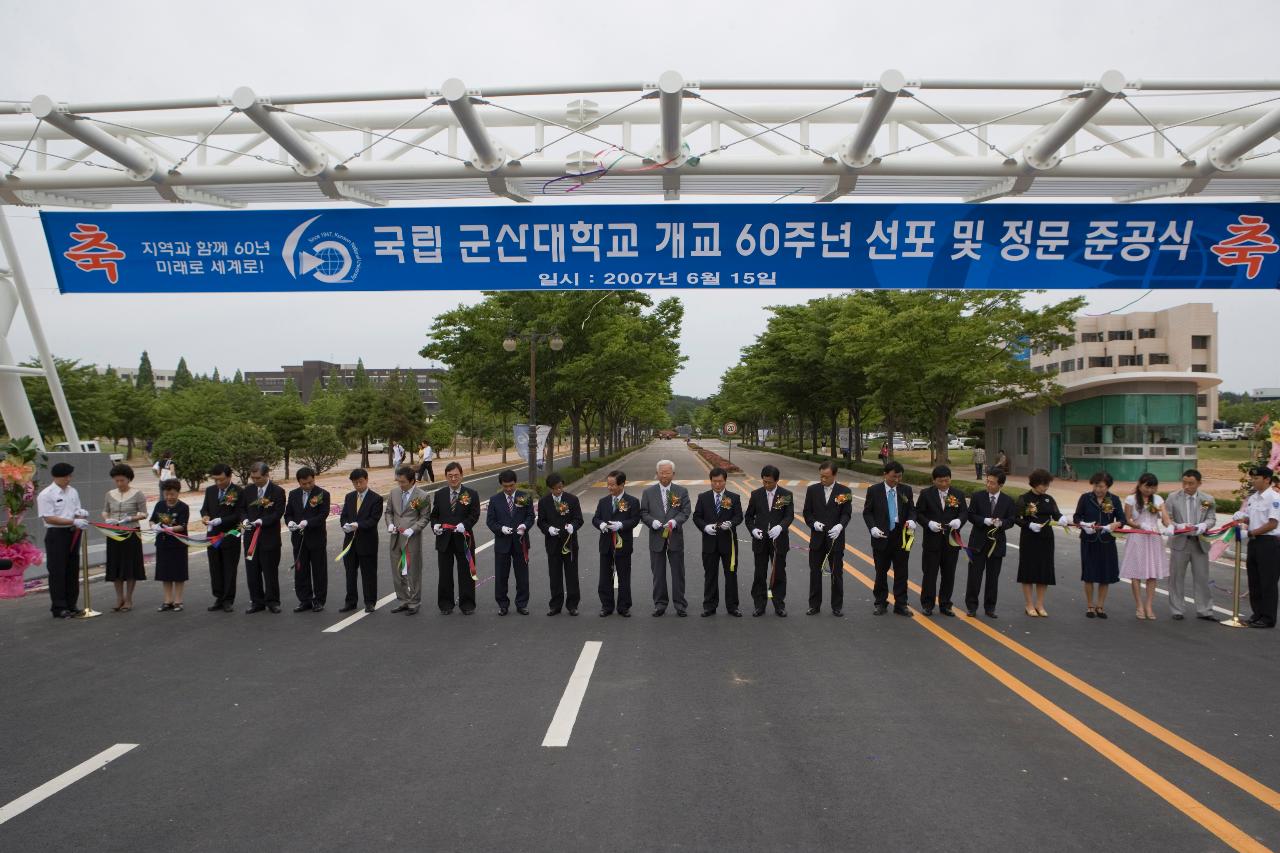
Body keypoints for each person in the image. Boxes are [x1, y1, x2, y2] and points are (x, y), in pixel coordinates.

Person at [861, 460, 916, 617]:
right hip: (882, 535)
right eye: (893, 477)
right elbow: (867, 512)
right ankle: (880, 602)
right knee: (881, 572)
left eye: (899, 477)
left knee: (901, 572)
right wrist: (872, 528)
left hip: (901, 536)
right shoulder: (874, 490)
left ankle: (901, 603)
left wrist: (912, 519)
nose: (896, 480)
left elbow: (912, 509)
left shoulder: (906, 490)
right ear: (885, 474)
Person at [1165, 468, 1219, 622]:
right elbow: (1166, 518)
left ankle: (1205, 610)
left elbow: (1211, 518)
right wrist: (1178, 525)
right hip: (1180, 542)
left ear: (1199, 483)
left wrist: (1203, 525)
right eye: (1184, 483)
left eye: (1191, 483)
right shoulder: (1173, 497)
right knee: (1176, 577)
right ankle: (1177, 609)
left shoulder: (1207, 499)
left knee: (1202, 577)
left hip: (1199, 542)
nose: (1187, 486)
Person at [640, 459, 691, 617]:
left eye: (667, 472)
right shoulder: (648, 492)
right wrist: (651, 522)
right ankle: (660, 604)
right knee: (658, 574)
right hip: (656, 538)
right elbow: (643, 513)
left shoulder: (681, 491)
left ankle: (680, 605)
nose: (664, 475)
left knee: (678, 573)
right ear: (657, 474)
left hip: (674, 537)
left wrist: (675, 521)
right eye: (661, 472)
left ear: (673, 474)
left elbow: (685, 511)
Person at [38, 461, 88, 618]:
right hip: (57, 535)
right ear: (57, 477)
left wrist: (80, 515)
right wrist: (73, 521)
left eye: (70, 476)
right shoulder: (46, 494)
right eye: (66, 476)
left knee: (72, 569)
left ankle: (72, 604)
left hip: (73, 532)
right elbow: (49, 518)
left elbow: (76, 510)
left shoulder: (72, 491)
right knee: (58, 570)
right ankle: (59, 607)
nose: (69, 479)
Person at [1118, 473, 1171, 620]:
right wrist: (1140, 524)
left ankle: (1149, 605)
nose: (1149, 490)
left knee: (1152, 572)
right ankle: (1139, 605)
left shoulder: (1158, 499)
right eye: (1147, 486)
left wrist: (1170, 526)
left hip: (1153, 537)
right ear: (1140, 484)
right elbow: (1127, 519)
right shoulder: (1131, 499)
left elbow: (1165, 518)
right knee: (1136, 572)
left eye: (1153, 487)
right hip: (1137, 536)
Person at [692, 466, 744, 617]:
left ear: (725, 481)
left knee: (731, 575)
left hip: (728, 543)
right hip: (710, 542)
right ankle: (709, 605)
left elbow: (739, 516)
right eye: (714, 482)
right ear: (710, 481)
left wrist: (731, 524)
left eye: (720, 481)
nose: (717, 485)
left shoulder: (734, 497)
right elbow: (697, 516)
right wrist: (705, 527)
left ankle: (733, 606)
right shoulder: (703, 497)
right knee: (710, 575)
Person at [804, 460, 854, 616]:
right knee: (815, 572)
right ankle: (814, 605)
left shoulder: (843, 491)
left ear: (835, 475)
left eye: (826, 477)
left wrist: (840, 526)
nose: (823, 480)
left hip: (835, 538)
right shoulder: (813, 490)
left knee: (836, 573)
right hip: (817, 539)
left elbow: (846, 513)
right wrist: (814, 524)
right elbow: (807, 512)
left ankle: (837, 606)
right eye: (821, 476)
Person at [430, 461, 481, 615]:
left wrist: (465, 525)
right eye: (450, 476)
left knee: (466, 573)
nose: (453, 479)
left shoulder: (471, 494)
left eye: (456, 476)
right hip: (444, 540)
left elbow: (475, 514)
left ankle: (467, 604)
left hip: (464, 540)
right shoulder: (440, 494)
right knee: (445, 574)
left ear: (461, 476)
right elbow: (435, 515)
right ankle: (445, 604)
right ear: (446, 477)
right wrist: (435, 526)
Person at [964, 468, 1016, 618]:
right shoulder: (978, 497)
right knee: (974, 576)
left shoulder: (1008, 500)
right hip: (978, 542)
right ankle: (972, 606)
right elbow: (971, 515)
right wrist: (984, 520)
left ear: (1000, 485)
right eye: (988, 481)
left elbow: (1012, 520)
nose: (989, 485)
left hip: (997, 544)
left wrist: (1002, 523)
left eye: (992, 483)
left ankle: (990, 607)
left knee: (993, 577)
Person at [915, 464, 966, 617]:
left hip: (951, 541)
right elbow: (918, 513)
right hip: (932, 541)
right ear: (934, 480)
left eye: (947, 480)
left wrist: (959, 521)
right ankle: (927, 604)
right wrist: (928, 524)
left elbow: (964, 512)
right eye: (940, 481)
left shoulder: (958, 494)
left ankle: (945, 604)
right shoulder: (926, 494)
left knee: (949, 574)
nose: (944, 484)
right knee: (930, 573)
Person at [744, 464, 794, 617]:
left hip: (779, 542)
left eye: (769, 482)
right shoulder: (756, 494)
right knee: (760, 573)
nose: (766, 485)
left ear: (777, 480)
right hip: (760, 541)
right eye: (764, 481)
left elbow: (789, 516)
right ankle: (759, 604)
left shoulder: (785, 495)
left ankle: (779, 604)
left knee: (778, 573)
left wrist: (780, 527)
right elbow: (748, 517)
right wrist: (753, 530)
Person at [1016, 468, 1066, 617]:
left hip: (1046, 538)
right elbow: (1016, 518)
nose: (1046, 488)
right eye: (1043, 485)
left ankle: (1040, 604)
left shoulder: (1048, 499)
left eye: (1047, 485)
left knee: (1044, 570)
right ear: (1035, 483)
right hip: (1029, 538)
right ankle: (1029, 604)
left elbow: (1056, 514)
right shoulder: (1024, 498)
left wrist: (1062, 518)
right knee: (1028, 570)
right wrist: (1028, 525)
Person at [1073, 471, 1124, 618]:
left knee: (1105, 575)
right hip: (1089, 540)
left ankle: (1100, 606)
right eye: (1096, 486)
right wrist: (1083, 524)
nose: (1098, 489)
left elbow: (1122, 518)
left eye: (1101, 486)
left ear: (1108, 487)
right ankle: (1090, 605)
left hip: (1107, 540)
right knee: (1089, 574)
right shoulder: (1085, 498)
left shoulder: (1114, 499)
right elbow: (1077, 516)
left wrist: (1115, 524)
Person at [486, 469, 535, 615]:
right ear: (501, 484)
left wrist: (524, 526)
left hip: (521, 542)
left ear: (516, 483)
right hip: (503, 543)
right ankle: (503, 604)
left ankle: (522, 604)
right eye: (505, 486)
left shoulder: (524, 496)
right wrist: (501, 529)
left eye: (511, 486)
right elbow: (490, 521)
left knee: (522, 576)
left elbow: (530, 516)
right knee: (501, 576)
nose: (508, 489)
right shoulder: (495, 500)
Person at [1237, 466, 1280, 628]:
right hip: (1255, 542)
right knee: (1254, 580)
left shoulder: (1274, 498)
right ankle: (1257, 614)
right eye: (1252, 478)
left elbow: (1272, 523)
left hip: (1268, 543)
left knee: (1267, 582)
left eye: (1256, 478)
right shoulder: (1254, 498)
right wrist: (1243, 518)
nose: (1253, 481)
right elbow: (1254, 519)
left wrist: (1250, 533)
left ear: (1267, 479)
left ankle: (1268, 618)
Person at [592, 470, 640, 617]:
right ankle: (606, 606)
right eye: (608, 484)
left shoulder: (632, 501)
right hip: (606, 545)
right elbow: (595, 518)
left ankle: (624, 606)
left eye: (613, 485)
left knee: (624, 576)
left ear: (622, 484)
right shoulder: (603, 502)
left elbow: (635, 520)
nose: (610, 488)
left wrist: (621, 525)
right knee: (605, 577)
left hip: (623, 545)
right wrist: (600, 525)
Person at [200, 463, 245, 613]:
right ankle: (218, 597)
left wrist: (221, 520)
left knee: (229, 568)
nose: (218, 483)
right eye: (215, 480)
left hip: (230, 534)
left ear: (229, 477)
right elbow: (205, 508)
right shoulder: (210, 491)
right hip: (212, 535)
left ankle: (228, 599)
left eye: (221, 479)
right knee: (215, 567)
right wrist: (205, 516)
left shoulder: (238, 491)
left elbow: (239, 514)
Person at [537, 472, 584, 616]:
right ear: (550, 489)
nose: (559, 490)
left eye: (561, 487)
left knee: (571, 575)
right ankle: (555, 605)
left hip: (569, 543)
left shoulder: (572, 499)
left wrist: (573, 526)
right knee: (555, 575)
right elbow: (541, 521)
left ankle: (572, 605)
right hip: (552, 543)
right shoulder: (544, 502)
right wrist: (548, 529)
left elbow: (579, 519)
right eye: (556, 488)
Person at [103, 463, 147, 612]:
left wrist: (131, 518)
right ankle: (119, 597)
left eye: (122, 480)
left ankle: (128, 598)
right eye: (117, 480)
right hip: (114, 533)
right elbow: (105, 511)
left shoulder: (138, 494)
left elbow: (144, 513)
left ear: (129, 479)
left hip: (131, 532)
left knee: (130, 565)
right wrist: (107, 519)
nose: (119, 483)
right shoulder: (109, 494)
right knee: (115, 564)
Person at [242, 462, 285, 614]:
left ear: (267, 475)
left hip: (269, 538)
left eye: (258, 478)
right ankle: (256, 601)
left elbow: (278, 513)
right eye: (253, 478)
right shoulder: (248, 491)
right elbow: (242, 509)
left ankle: (273, 601)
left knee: (270, 571)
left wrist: (262, 521)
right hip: (250, 538)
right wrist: (245, 520)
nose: (255, 481)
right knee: (252, 572)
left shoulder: (278, 491)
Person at [285, 467, 330, 612]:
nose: (308, 486)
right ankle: (305, 600)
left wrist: (308, 522)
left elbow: (323, 514)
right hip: (298, 538)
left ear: (314, 479)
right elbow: (288, 513)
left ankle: (319, 600)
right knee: (301, 570)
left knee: (319, 570)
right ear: (299, 482)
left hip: (316, 538)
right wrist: (290, 522)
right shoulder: (293, 494)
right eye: (304, 484)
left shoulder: (323, 494)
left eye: (310, 482)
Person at [338, 468, 383, 614]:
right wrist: (345, 525)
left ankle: (370, 602)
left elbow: (373, 520)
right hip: (350, 541)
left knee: (368, 572)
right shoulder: (349, 497)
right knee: (350, 572)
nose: (358, 485)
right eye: (355, 483)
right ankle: (350, 601)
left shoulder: (376, 498)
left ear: (366, 480)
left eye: (360, 482)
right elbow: (344, 515)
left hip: (367, 541)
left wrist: (358, 525)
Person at [386, 466, 429, 614]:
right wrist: (390, 524)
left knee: (413, 571)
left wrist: (414, 528)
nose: (400, 485)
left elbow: (425, 517)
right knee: (397, 572)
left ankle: (414, 602)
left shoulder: (422, 496)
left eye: (403, 482)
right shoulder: (394, 493)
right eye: (398, 481)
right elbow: (389, 512)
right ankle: (403, 600)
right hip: (395, 538)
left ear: (412, 481)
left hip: (412, 539)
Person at [150, 478, 190, 611]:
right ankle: (168, 600)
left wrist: (171, 529)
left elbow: (183, 525)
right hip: (163, 542)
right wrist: (154, 526)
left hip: (178, 543)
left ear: (178, 493)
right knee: (164, 572)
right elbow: (152, 520)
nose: (169, 497)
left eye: (172, 494)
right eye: (167, 494)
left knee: (178, 572)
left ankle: (178, 600)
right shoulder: (160, 505)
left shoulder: (183, 507)